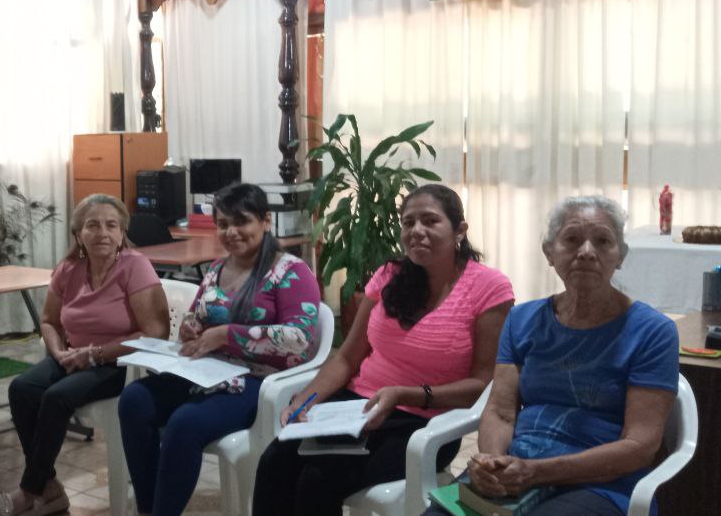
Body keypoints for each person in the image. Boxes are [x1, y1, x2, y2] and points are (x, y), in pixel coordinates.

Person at [252, 183, 515, 516]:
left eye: (430, 221)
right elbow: (347, 357)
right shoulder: (389, 275)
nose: (416, 230)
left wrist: (405, 394)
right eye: (408, 222)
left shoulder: (489, 288)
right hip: (354, 409)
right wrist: (305, 398)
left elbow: (481, 384)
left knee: (317, 481)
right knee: (274, 462)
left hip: (425, 421)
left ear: (459, 230)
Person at [422, 196, 679, 516]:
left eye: (602, 241)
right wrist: (492, 462)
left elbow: (640, 446)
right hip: (517, 469)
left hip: (601, 482)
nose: (587, 251)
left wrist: (536, 472)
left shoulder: (653, 332)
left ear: (620, 256)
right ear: (549, 252)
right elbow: (500, 412)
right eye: (572, 239)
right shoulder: (522, 320)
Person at [118, 182, 323, 516]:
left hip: (258, 381)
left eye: (241, 222)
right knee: (134, 399)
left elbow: (298, 339)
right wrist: (190, 327)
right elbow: (197, 316)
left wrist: (228, 335)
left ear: (265, 221)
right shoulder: (217, 268)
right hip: (208, 371)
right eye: (223, 224)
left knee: (185, 422)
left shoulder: (291, 272)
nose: (231, 232)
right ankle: (148, 508)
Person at [0, 194, 170, 516]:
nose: (103, 233)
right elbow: (49, 321)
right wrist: (58, 352)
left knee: (56, 397)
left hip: (119, 362)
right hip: (73, 355)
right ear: (78, 234)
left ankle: (29, 491)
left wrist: (96, 353)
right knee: (21, 389)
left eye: (111, 225)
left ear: (122, 233)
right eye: (93, 225)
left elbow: (156, 332)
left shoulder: (135, 266)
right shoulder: (69, 268)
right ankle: (50, 487)